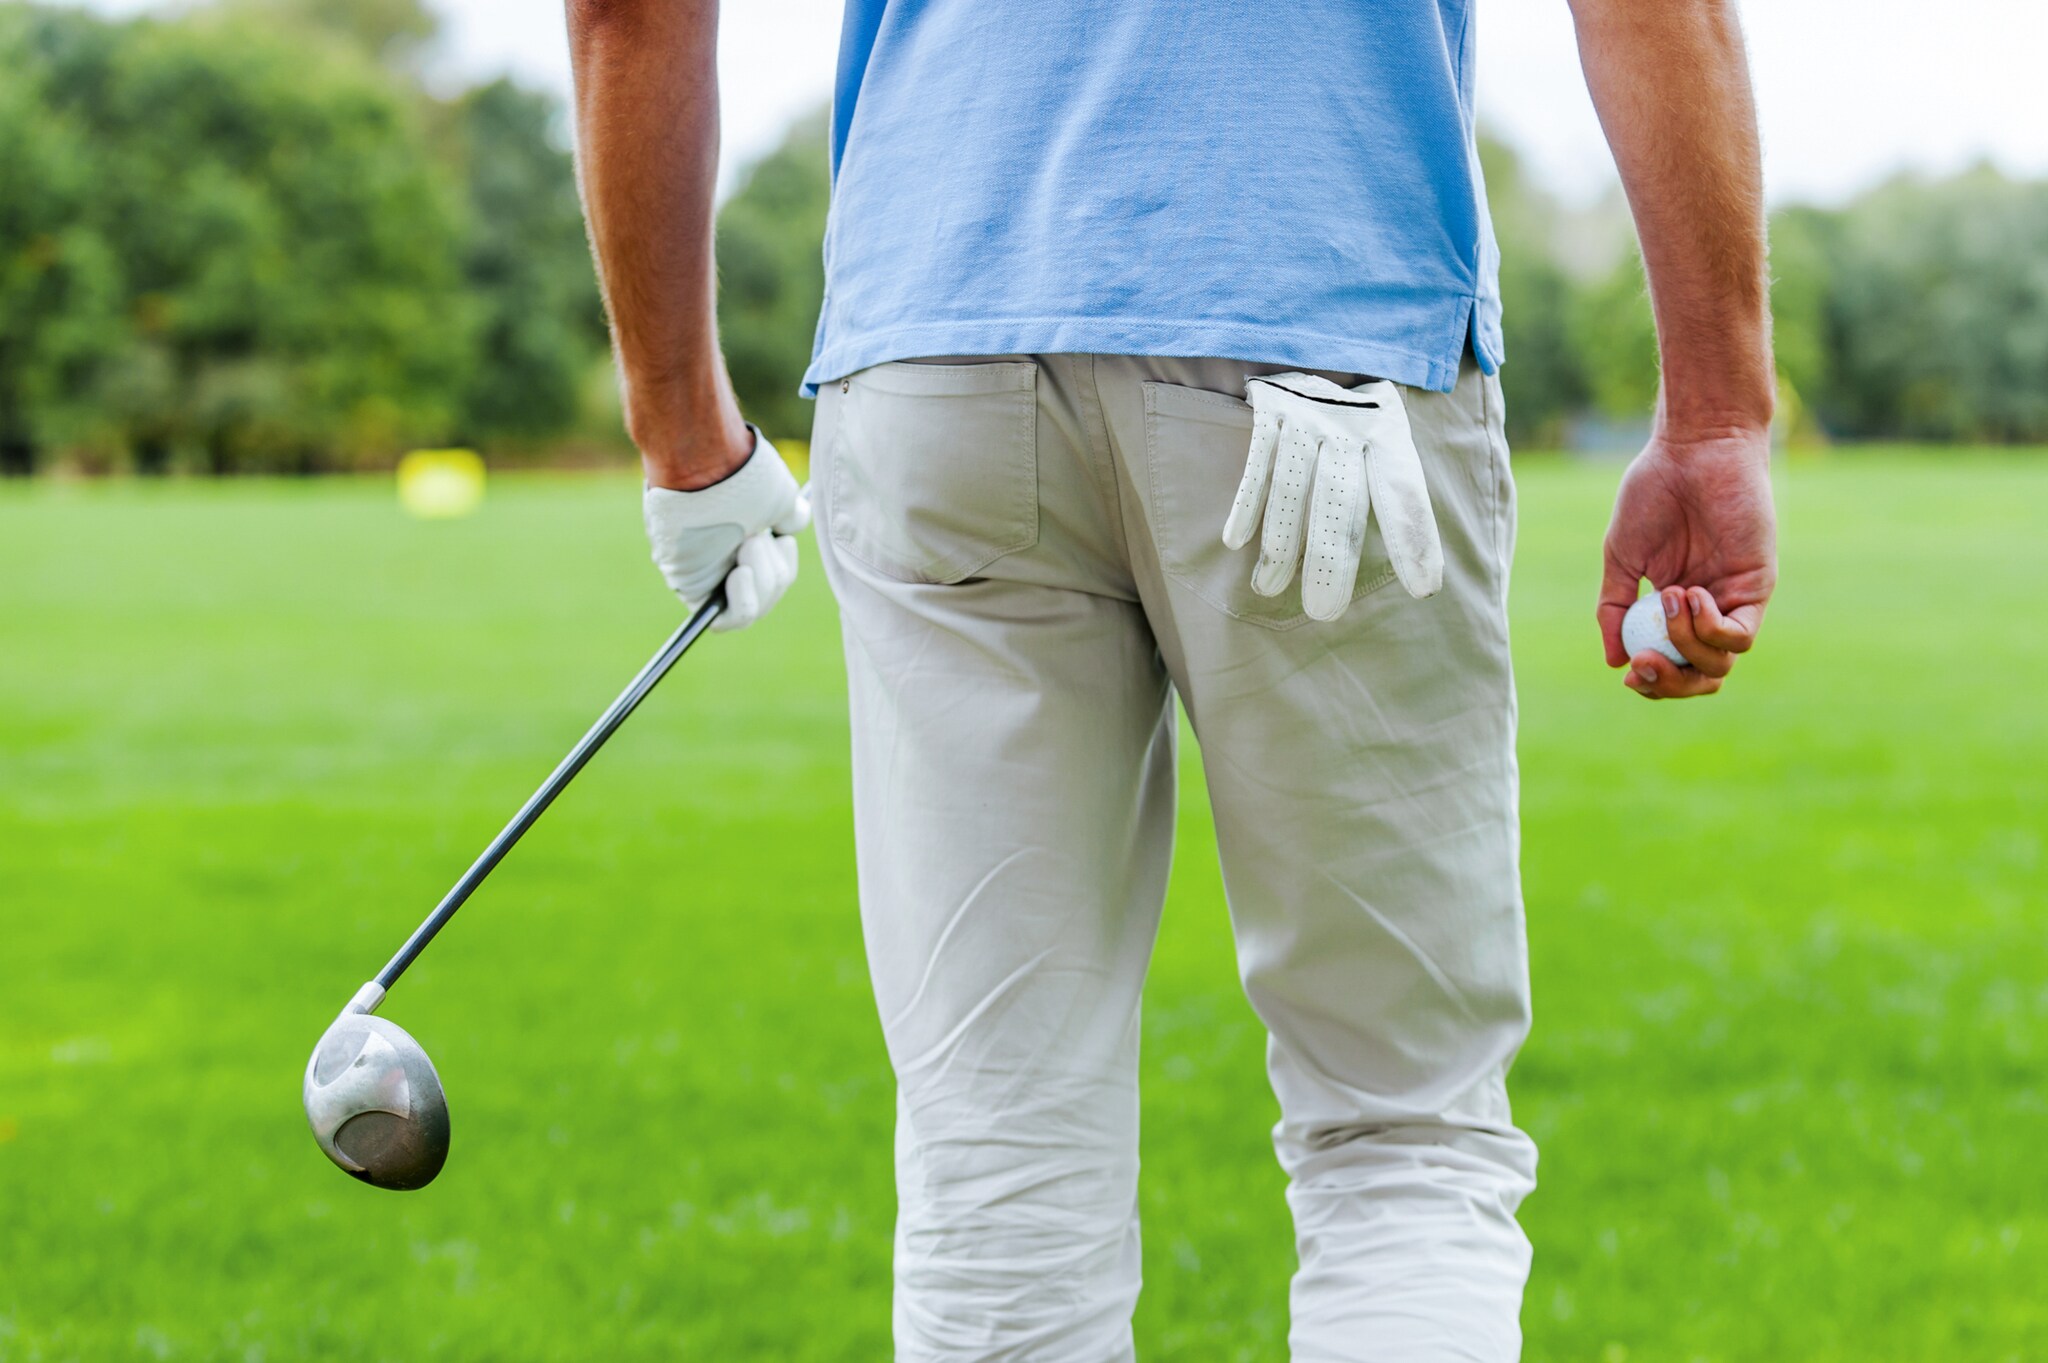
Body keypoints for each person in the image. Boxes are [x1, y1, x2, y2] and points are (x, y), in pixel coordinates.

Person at [565, 0, 1778, 1357]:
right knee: (1402, 1129)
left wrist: (683, 433)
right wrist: (1716, 417)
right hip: (1330, 322)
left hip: (941, 342)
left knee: (999, 1166)